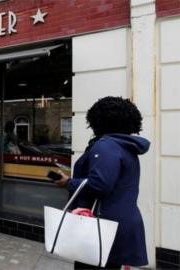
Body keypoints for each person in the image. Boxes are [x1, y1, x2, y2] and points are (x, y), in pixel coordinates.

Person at [54, 97, 149, 269]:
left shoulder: (105, 146)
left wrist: (68, 182)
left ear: (98, 120)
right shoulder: (125, 146)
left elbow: (100, 185)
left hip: (100, 227)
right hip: (117, 224)